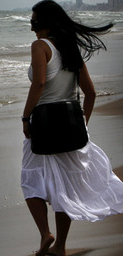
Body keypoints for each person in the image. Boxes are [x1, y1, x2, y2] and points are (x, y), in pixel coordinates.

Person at [20, 1, 123, 256]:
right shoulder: (70, 50)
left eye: (34, 22)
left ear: (45, 23)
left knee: (30, 180)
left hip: (43, 124)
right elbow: (90, 93)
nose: (32, 28)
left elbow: (40, 83)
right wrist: (82, 126)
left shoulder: (40, 46)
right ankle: (61, 247)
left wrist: (25, 117)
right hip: (71, 128)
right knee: (63, 186)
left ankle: (45, 234)